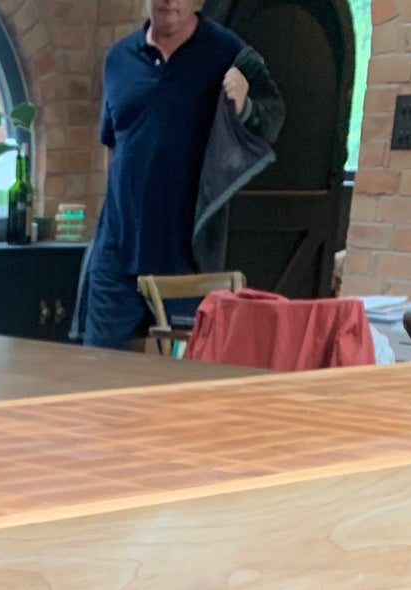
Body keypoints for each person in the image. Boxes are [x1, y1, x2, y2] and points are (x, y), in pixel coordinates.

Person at [83, 0, 284, 350]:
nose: (169, 1)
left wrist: (246, 104)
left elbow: (274, 118)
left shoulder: (229, 52)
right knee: (95, 374)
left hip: (190, 260)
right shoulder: (118, 59)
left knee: (188, 381)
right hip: (118, 254)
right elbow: (112, 146)